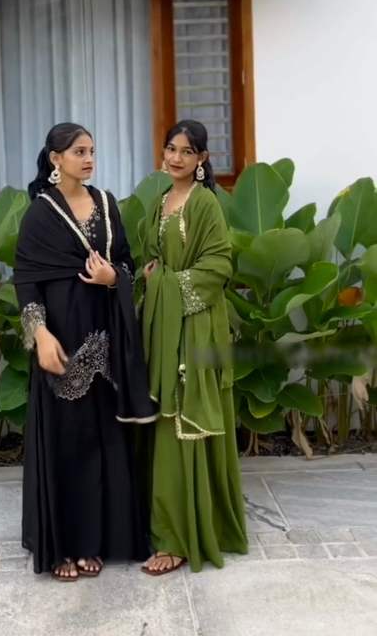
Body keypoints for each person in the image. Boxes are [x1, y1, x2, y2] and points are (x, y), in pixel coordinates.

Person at [14, 122, 156, 580]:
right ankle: (64, 547)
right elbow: (26, 281)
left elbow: (126, 262)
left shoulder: (107, 204)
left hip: (105, 338)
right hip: (61, 339)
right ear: (56, 159)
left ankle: (99, 542)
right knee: (68, 440)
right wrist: (40, 335)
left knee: (104, 439)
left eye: (92, 150)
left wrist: (115, 278)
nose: (88, 158)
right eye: (79, 151)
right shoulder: (40, 214)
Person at [140, 119, 248, 575]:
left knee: (184, 422)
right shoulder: (161, 201)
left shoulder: (204, 203)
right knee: (164, 424)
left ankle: (184, 537)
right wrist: (150, 274)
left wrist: (164, 286)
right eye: (171, 148)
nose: (176, 158)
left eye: (186, 151)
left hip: (196, 326)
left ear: (202, 159)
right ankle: (169, 527)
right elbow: (151, 258)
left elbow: (217, 265)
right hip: (165, 326)